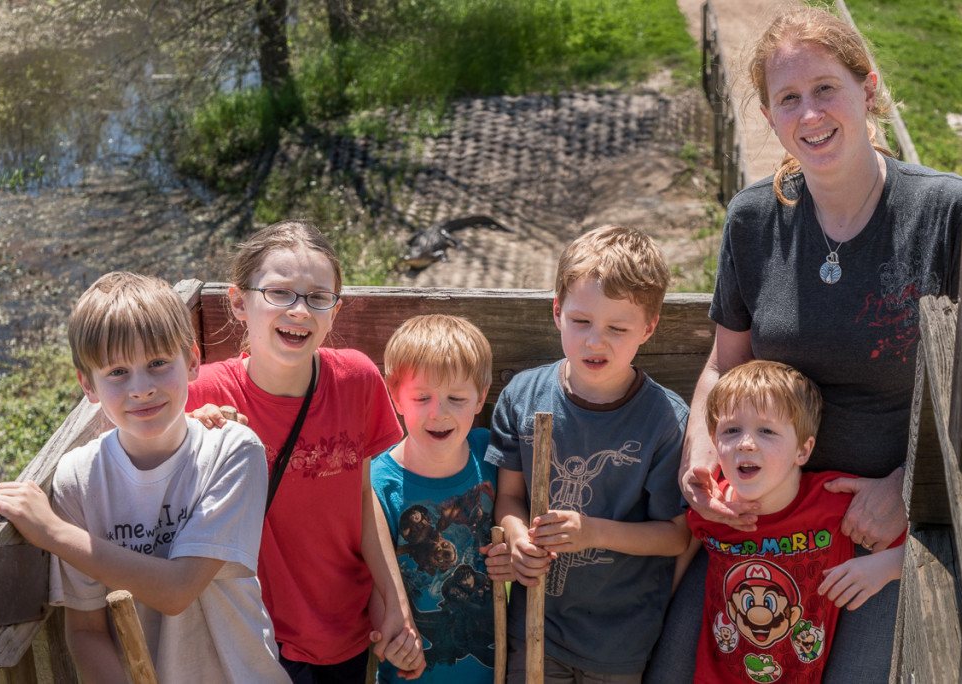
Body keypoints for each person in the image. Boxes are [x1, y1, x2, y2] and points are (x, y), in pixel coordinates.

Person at [646, 7, 962, 684]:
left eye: (826, 88)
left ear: (867, 88)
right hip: (768, 514)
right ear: (768, 116)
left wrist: (912, 486)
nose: (810, 113)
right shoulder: (755, 219)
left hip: (885, 532)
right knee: (672, 672)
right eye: (789, 97)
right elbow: (722, 363)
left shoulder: (947, 214)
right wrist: (701, 454)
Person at [0, 272, 289, 684]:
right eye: (117, 372)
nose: (141, 388)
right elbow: (86, 632)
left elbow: (178, 590)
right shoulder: (78, 479)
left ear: (193, 362)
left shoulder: (233, 451)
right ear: (88, 386)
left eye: (158, 363)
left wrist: (53, 533)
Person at [186, 220, 424, 683]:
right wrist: (185, 433)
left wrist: (394, 603)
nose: (299, 310)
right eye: (279, 293)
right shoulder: (202, 396)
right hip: (251, 637)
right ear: (239, 302)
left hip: (344, 631)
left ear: (335, 311)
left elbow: (362, 497)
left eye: (318, 297)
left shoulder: (356, 380)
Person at [485, 224, 691, 681]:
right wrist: (518, 539)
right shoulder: (523, 396)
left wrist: (592, 531)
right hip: (535, 623)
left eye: (617, 328)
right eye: (581, 322)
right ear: (557, 311)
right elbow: (509, 498)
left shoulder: (666, 421)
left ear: (649, 328)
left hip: (620, 640)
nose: (595, 341)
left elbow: (676, 536)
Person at [689, 360, 904, 683]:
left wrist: (882, 568)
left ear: (803, 450)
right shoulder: (711, 509)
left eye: (766, 430)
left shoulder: (833, 501)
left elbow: (920, 547)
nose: (746, 443)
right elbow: (680, 545)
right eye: (731, 430)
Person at [371, 313, 508, 684]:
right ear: (395, 394)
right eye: (421, 397)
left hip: (490, 670)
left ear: (481, 397)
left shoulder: (489, 456)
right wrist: (391, 637)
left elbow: (512, 515)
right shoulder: (378, 483)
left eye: (456, 398)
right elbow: (370, 581)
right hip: (411, 670)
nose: (438, 412)